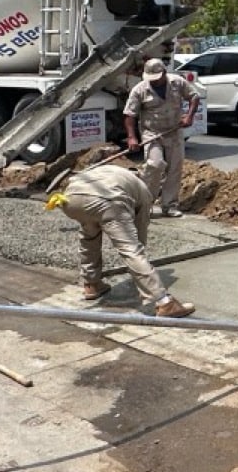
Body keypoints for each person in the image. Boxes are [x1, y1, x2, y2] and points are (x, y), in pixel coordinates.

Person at [47, 160, 195, 318]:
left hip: (70, 199)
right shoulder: (143, 190)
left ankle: (92, 284)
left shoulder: (110, 171)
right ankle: (164, 302)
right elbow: (139, 234)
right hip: (106, 200)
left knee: (89, 237)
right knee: (131, 249)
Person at [123, 57, 201, 218]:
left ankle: (170, 205)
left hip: (174, 131)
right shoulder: (140, 90)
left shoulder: (177, 83)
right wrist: (131, 137)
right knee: (155, 165)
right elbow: (130, 115)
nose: (154, 82)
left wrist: (189, 116)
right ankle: (144, 203)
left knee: (174, 168)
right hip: (152, 133)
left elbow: (194, 97)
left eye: (157, 79)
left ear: (164, 73)